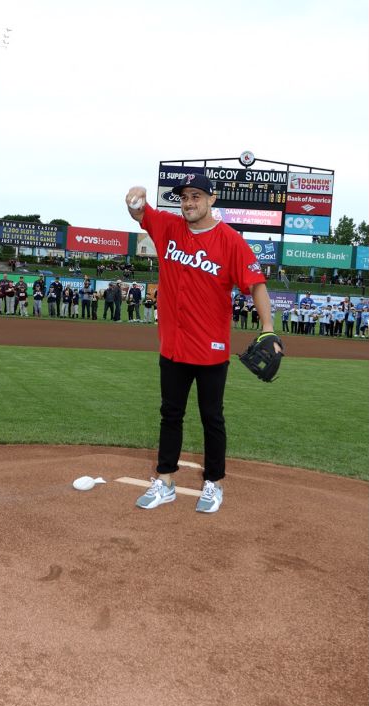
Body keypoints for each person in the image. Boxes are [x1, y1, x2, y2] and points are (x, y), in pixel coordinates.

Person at [123, 177, 278, 514]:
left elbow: (256, 284)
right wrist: (134, 202)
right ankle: (165, 481)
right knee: (170, 414)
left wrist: (268, 328)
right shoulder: (168, 228)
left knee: (212, 418)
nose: (188, 202)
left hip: (210, 348)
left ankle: (214, 483)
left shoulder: (230, 241)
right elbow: (141, 214)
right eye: (184, 197)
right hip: (174, 346)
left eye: (196, 196)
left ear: (212, 199)